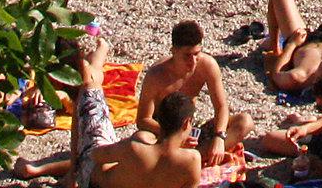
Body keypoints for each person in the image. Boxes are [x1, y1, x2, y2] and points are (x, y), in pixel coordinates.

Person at [13, 28, 122, 183]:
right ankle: (102, 46)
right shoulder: (87, 78)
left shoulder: (82, 89)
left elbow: (80, 140)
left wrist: (71, 176)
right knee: (95, 64)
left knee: (88, 160)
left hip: (99, 154)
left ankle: (102, 46)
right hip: (106, 146)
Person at [135, 21, 233, 173]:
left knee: (244, 122)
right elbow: (142, 120)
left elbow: (221, 107)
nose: (193, 61)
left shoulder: (207, 65)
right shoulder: (156, 76)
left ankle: (192, 157)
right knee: (140, 138)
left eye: (197, 54)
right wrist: (175, 136)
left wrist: (219, 137)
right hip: (164, 133)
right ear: (173, 51)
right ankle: (191, 159)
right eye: (187, 55)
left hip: (190, 131)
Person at [87, 91, 201, 188]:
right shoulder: (192, 160)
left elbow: (96, 155)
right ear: (187, 123)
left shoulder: (137, 145)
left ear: (160, 118)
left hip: (98, 183)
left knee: (91, 95)